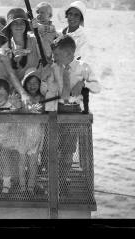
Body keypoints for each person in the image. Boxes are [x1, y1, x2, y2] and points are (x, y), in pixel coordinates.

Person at [43, 35, 100, 184]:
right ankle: (53, 181)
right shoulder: (54, 68)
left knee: (68, 150)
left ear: (69, 53)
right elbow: (44, 87)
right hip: (57, 109)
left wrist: (82, 84)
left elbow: (97, 87)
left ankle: (63, 180)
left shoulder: (83, 67)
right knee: (54, 148)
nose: (54, 57)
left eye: (57, 54)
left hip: (74, 111)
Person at [16, 69, 46, 194]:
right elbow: (17, 111)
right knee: (21, 163)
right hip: (22, 134)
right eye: (29, 82)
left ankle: (31, 187)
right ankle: (22, 187)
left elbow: (44, 113)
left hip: (36, 134)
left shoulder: (43, 98)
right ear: (24, 83)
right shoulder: (21, 98)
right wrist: (26, 110)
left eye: (35, 83)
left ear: (40, 85)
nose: (32, 85)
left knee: (33, 163)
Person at [2, 8, 42, 82]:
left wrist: (36, 31)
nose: (19, 25)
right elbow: (5, 73)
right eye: (15, 23)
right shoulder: (5, 47)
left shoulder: (35, 40)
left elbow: (47, 55)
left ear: (26, 25)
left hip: (34, 85)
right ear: (10, 26)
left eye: (22, 23)